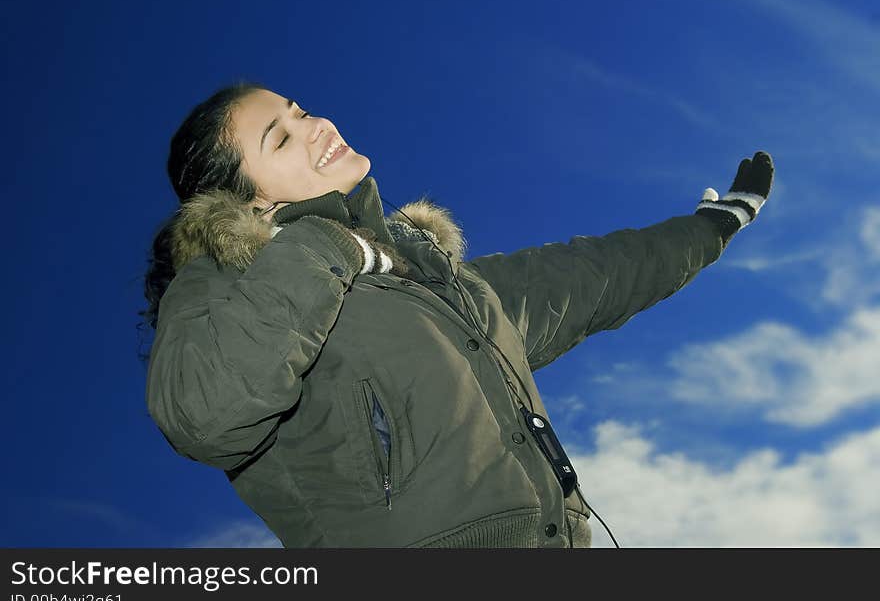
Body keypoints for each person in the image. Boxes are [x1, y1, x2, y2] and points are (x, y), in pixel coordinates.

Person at [141, 80, 774, 548]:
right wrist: (327, 244)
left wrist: (712, 227)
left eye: (300, 110)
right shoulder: (224, 289)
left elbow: (593, 274)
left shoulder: (436, 283)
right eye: (281, 136)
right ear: (249, 202)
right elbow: (201, 410)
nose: (317, 124)